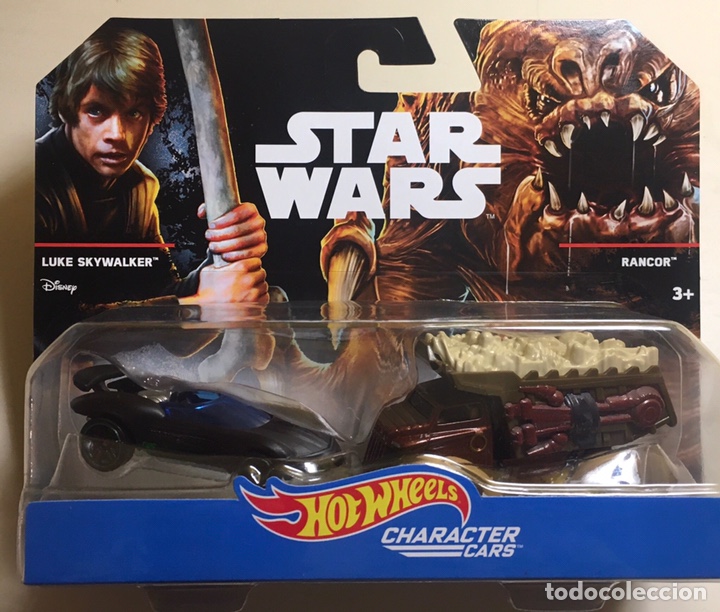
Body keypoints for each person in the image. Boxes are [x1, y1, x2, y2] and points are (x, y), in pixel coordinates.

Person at [35, 27, 268, 351]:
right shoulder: (38, 182)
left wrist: (225, 256)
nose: (117, 134)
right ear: (67, 109)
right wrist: (195, 309)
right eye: (96, 110)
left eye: (134, 112)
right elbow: (47, 328)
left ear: (151, 119)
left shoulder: (138, 186)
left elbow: (158, 295)